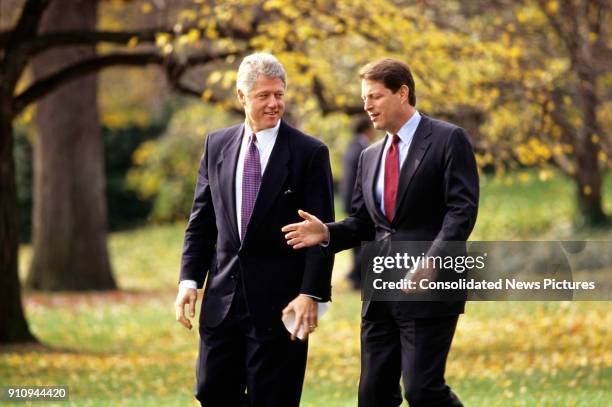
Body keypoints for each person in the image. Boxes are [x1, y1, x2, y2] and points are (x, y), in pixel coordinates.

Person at [283, 58, 479, 406]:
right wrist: (325, 233)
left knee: (422, 390)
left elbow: (461, 211)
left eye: (374, 96)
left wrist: (432, 263)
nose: (367, 106)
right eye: (364, 98)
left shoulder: (448, 139)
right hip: (380, 291)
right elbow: (362, 223)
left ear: (402, 93)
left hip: (429, 286)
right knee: (373, 395)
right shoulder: (369, 157)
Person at [175, 53, 334, 407]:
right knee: (211, 392)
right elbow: (201, 222)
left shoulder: (309, 153)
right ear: (241, 96)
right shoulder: (215, 145)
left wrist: (311, 293)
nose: (274, 104)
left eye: (279, 94)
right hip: (221, 304)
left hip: (281, 307)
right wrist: (189, 281)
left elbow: (322, 234)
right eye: (264, 95)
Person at [341, 117, 375, 290]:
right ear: (367, 130)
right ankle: (355, 274)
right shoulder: (362, 150)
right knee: (367, 240)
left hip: (349, 200)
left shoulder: (351, 147)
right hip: (359, 202)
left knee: (357, 242)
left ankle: (358, 279)